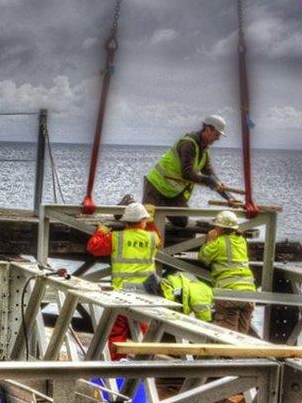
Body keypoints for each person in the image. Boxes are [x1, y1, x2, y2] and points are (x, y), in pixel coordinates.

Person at [86, 202, 161, 359]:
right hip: (145, 296)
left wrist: (101, 231)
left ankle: (115, 371)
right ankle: (144, 370)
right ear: (143, 221)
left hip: (121, 294)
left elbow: (94, 247)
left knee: (116, 334)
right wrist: (152, 221)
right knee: (143, 336)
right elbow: (158, 239)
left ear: (125, 221)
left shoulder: (116, 238)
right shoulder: (152, 238)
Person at [142, 114, 237, 227]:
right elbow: (187, 173)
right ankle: (129, 203)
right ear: (207, 129)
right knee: (146, 222)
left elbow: (210, 175)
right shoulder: (188, 144)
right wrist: (208, 181)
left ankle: (156, 212)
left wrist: (229, 197)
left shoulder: (205, 151)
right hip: (156, 187)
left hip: (173, 194)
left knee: (182, 222)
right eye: (216, 134)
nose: (218, 138)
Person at [198, 210, 257, 333]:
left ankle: (224, 352)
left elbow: (204, 257)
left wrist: (209, 241)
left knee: (227, 335)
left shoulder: (219, 243)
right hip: (249, 294)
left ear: (221, 228)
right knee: (242, 336)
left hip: (230, 294)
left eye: (216, 226)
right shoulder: (241, 241)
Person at [142, 271, 213, 322]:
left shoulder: (202, 289)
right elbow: (204, 320)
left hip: (172, 289)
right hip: (172, 294)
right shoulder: (205, 296)